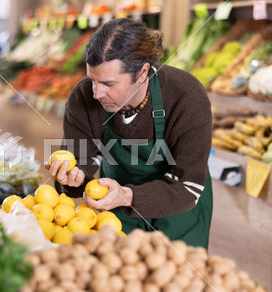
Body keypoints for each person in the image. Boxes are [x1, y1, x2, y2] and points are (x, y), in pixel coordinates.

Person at [47, 18, 213, 248]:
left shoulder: (186, 98)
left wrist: (128, 195)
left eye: (108, 84)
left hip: (179, 214)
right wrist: (72, 179)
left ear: (142, 72)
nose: (96, 93)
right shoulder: (84, 98)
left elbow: (188, 186)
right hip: (116, 210)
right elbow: (80, 166)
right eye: (92, 80)